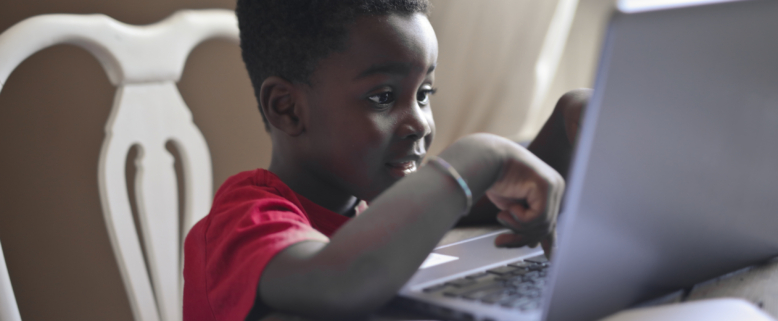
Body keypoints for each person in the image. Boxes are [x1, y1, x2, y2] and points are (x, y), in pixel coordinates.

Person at [182, 0, 590, 320]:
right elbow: (338, 280)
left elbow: (476, 201)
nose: (420, 123)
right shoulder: (243, 222)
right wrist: (479, 155)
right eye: (383, 97)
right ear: (287, 109)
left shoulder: (366, 198)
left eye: (424, 93)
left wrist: (564, 131)